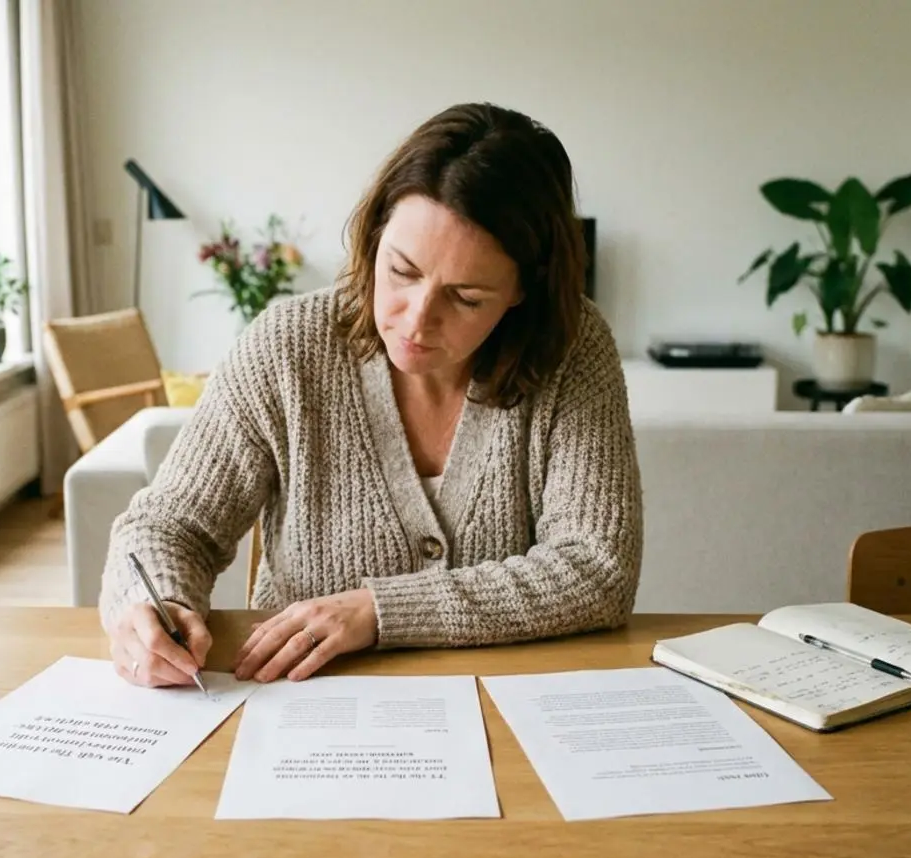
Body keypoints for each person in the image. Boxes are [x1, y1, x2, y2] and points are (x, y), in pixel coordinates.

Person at [100, 101, 643, 688]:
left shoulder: (570, 348)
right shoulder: (288, 349)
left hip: (506, 715)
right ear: (375, 235)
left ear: (522, 293)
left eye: (466, 298)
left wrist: (378, 611)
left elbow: (597, 567)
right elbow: (167, 525)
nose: (417, 321)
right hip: (302, 711)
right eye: (402, 271)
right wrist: (152, 603)